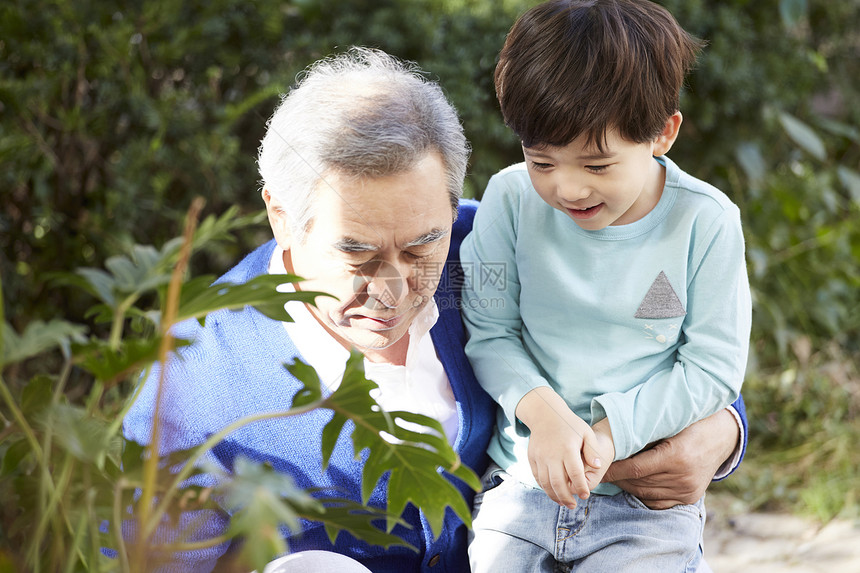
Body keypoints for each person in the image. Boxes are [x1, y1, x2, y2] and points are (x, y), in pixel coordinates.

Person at [123, 46, 747, 572]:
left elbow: (650, 346)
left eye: (422, 243)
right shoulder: (189, 384)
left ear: (453, 208)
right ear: (282, 218)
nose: (394, 286)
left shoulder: (490, 250)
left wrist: (723, 434)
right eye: (357, 252)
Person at [460, 1, 752, 572]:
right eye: (541, 160)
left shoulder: (705, 222)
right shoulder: (509, 200)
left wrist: (613, 433)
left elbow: (713, 367)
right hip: (520, 487)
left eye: (596, 166)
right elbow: (490, 331)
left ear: (663, 134)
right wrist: (542, 416)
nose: (567, 189)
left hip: (645, 507)